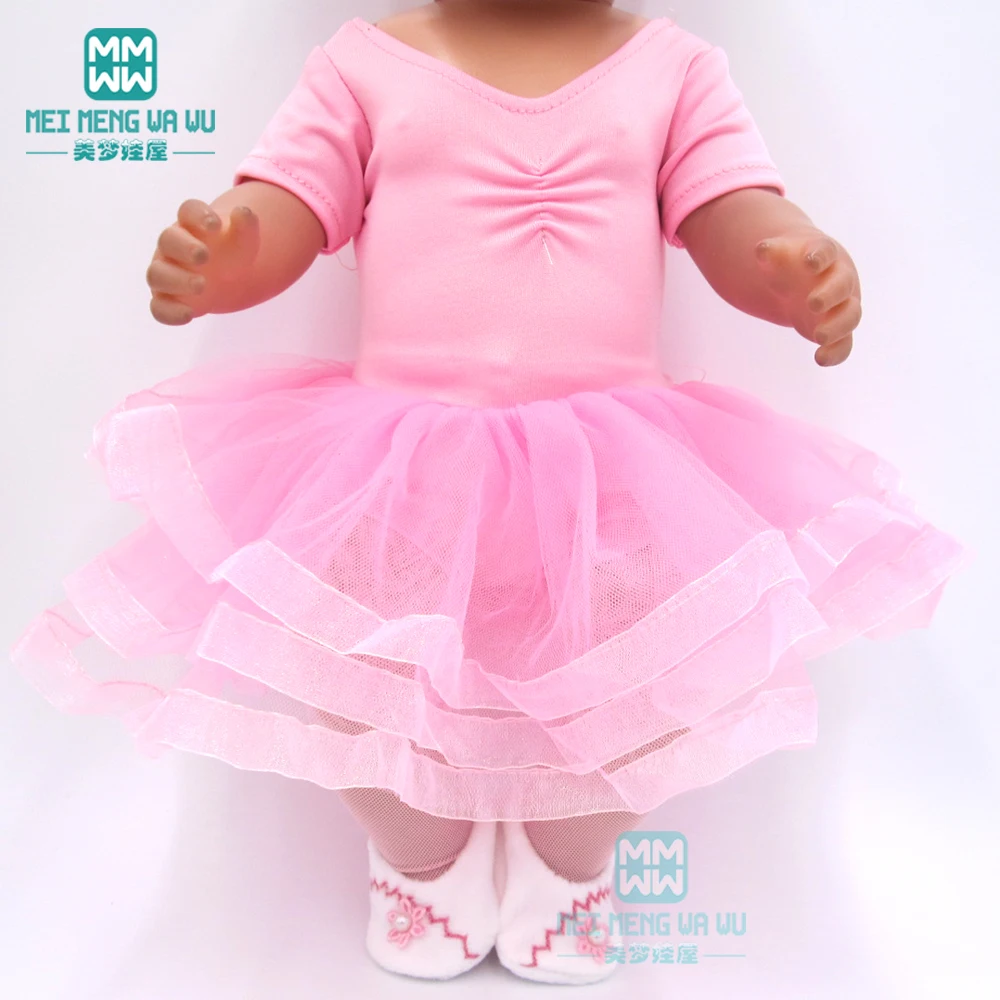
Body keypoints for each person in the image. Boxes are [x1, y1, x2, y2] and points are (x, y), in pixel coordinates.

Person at [10, 0, 971, 985]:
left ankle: (572, 857)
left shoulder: (674, 68)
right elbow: (289, 205)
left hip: (612, 475)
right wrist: (230, 252)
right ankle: (420, 855)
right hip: (399, 470)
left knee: (651, 666)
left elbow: (732, 212)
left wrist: (789, 260)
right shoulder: (365, 64)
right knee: (349, 659)